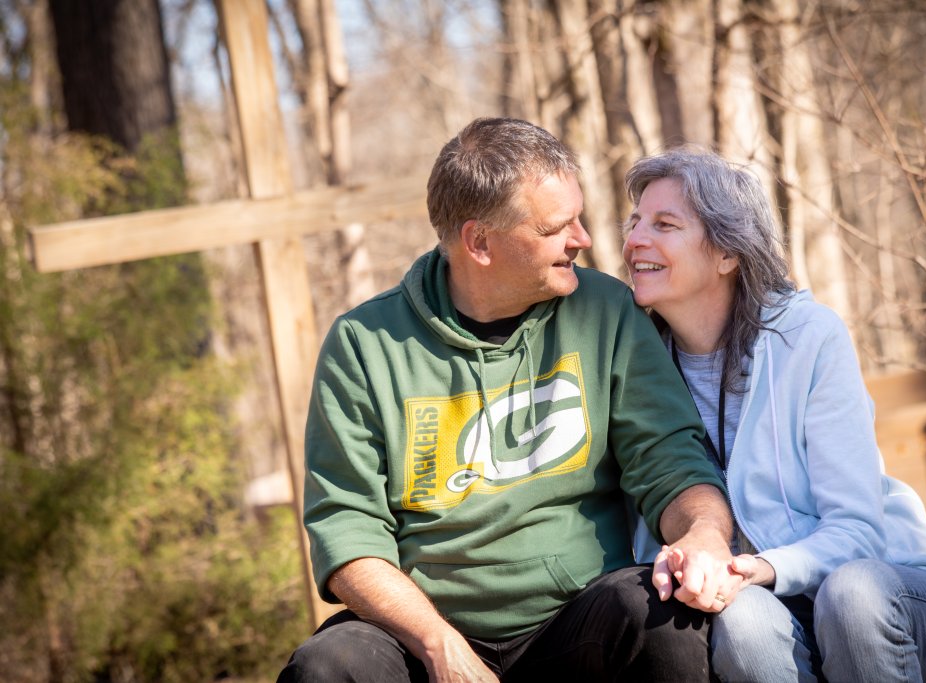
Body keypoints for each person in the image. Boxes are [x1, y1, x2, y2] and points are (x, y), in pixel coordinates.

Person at [278, 118, 740, 683]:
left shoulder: (606, 312)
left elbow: (670, 460)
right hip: (428, 632)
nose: (583, 239)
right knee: (328, 666)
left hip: (575, 618)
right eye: (555, 227)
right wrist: (437, 644)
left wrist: (703, 533)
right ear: (479, 243)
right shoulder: (365, 345)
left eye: (578, 216)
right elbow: (346, 528)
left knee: (660, 613)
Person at [622, 147, 926, 683]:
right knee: (741, 622)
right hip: (752, 599)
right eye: (635, 221)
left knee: (850, 595)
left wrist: (761, 566)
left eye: (664, 224)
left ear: (727, 254)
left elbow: (858, 531)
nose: (635, 239)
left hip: (890, 590)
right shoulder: (633, 362)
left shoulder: (807, 337)